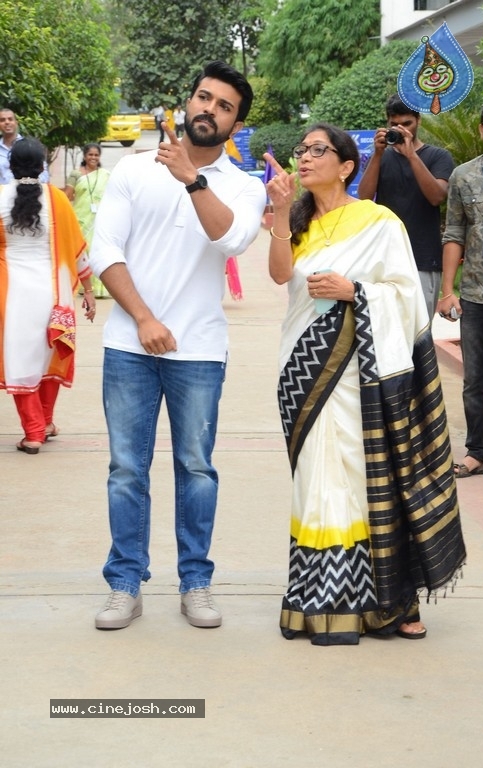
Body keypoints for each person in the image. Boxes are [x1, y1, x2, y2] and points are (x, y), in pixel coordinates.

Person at [264, 123, 465, 646]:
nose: (304, 158)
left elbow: (406, 296)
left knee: (369, 475)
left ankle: (392, 600)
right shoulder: (299, 220)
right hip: (304, 370)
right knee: (317, 480)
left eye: (317, 150)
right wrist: (281, 214)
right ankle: (321, 598)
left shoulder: (379, 221)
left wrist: (356, 290)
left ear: (347, 165)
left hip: (361, 373)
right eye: (301, 151)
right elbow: (280, 274)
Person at [90, 60, 265, 631]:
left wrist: (192, 177)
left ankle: (195, 582)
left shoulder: (243, 186)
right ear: (187, 102)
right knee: (125, 469)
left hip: (199, 352)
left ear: (235, 123)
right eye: (203, 98)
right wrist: (141, 318)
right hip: (129, 346)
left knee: (195, 468)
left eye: (223, 106)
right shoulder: (134, 171)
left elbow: (234, 240)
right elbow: (105, 251)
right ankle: (124, 582)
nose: (208, 110)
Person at [0, 138, 95, 454]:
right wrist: (90, 292)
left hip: (12, 298)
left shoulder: (0, 198)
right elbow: (78, 250)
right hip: (54, 295)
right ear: (43, 166)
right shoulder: (57, 199)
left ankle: (34, 432)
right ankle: (48, 421)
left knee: (21, 362)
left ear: (11, 165)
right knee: (49, 355)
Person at [439, 92, 483, 477]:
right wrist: (447, 291)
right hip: (477, 293)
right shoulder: (463, 175)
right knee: (475, 379)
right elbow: (454, 232)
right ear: (482, 130)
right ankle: (476, 453)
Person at [358, 94, 454, 321]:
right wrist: (379, 153)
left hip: (423, 258)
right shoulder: (381, 156)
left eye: (407, 124)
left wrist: (411, 155)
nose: (401, 130)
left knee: (419, 334)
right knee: (384, 330)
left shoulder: (438, 156)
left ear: (418, 120)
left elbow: (436, 197)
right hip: (384, 258)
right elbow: (364, 197)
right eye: (394, 125)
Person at [64, 143, 110, 297]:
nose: (93, 158)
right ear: (84, 156)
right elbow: (67, 196)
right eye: (90, 155)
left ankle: (99, 289)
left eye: (96, 155)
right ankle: (83, 287)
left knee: (98, 251)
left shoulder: (105, 175)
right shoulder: (76, 174)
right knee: (83, 252)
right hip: (81, 220)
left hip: (100, 220)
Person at [0, 108, 50, 184]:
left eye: (10, 119)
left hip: (29, 193)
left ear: (16, 123)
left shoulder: (29, 146)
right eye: (2, 120)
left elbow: (44, 173)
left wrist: (29, 185)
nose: (7, 122)